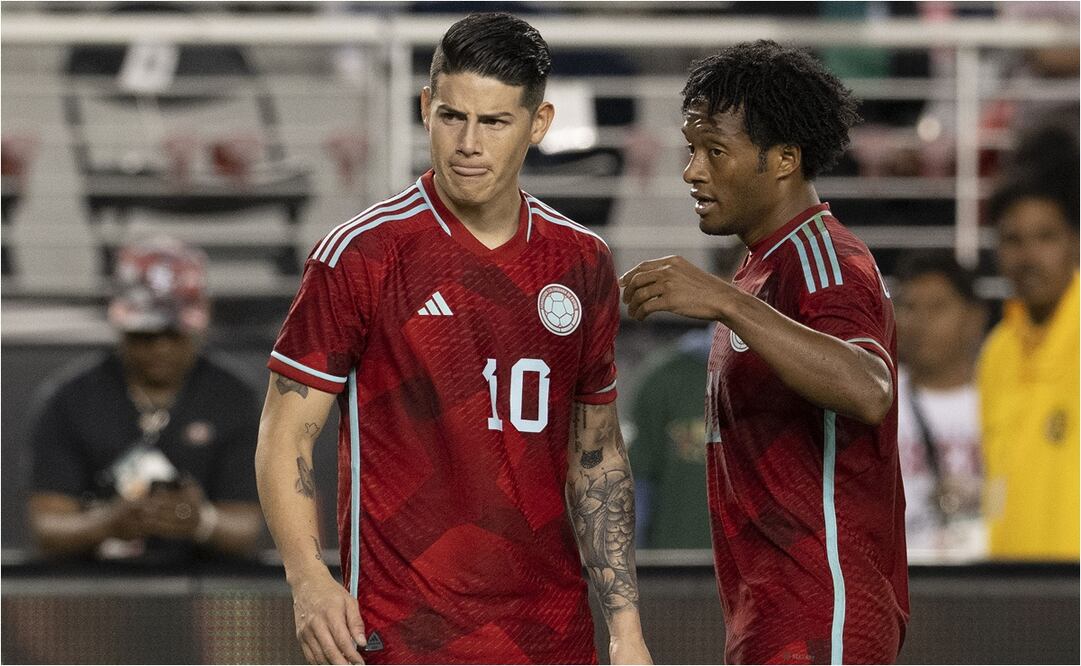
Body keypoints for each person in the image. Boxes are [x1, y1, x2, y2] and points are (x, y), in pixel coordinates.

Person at [256, 13, 650, 665]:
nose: (468, 142)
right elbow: (285, 434)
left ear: (538, 125)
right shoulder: (361, 256)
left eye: (493, 122)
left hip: (549, 636)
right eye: (451, 116)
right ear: (424, 109)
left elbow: (597, 457)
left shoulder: (581, 262)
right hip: (400, 635)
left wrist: (626, 630)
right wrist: (307, 580)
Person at [620, 40, 909, 663]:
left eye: (714, 151)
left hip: (825, 617)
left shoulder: (822, 261)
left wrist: (727, 303)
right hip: (770, 618)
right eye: (691, 149)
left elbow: (869, 388)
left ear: (782, 160)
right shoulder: (761, 269)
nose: (692, 171)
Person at [27, 237, 264, 564]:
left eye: (174, 333)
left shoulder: (232, 397)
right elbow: (48, 526)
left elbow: (246, 527)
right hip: (94, 592)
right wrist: (108, 523)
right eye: (145, 334)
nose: (161, 348)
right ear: (121, 326)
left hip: (208, 593)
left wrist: (201, 522)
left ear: (199, 327)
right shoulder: (71, 399)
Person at [980, 179, 1079, 561]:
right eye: (1013, 240)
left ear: (1074, 242)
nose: (1028, 256)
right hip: (1013, 590)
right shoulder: (996, 352)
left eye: (1046, 237)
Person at [893, 251, 987, 561]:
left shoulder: (1005, 399)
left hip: (991, 580)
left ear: (974, 318)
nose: (919, 323)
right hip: (903, 581)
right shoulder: (875, 400)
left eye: (937, 308)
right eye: (908, 308)